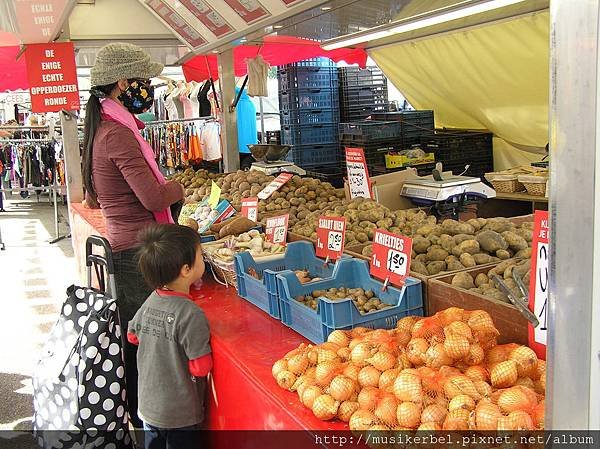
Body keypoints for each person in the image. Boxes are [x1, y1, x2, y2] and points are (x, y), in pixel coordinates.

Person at [82, 42, 185, 428]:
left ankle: (146, 421)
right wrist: (178, 189)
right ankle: (152, 425)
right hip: (137, 255)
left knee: (139, 347)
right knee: (147, 353)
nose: (148, 87)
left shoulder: (103, 130)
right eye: (142, 80)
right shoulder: (118, 134)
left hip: (128, 248)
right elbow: (152, 196)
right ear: (123, 83)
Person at [128, 224, 212, 449]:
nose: (203, 260)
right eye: (201, 256)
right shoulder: (191, 313)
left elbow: (132, 336)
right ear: (186, 270)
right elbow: (200, 367)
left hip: (148, 407)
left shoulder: (151, 299)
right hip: (180, 414)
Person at [235, 86, 257, 170]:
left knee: (245, 134)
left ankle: (246, 160)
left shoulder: (239, 80)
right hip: (243, 107)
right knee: (244, 134)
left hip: (242, 107)